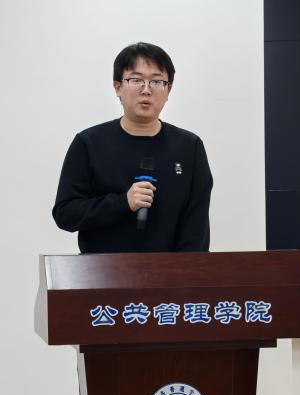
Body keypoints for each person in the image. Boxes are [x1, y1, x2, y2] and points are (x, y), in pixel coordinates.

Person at [52, 42, 213, 253]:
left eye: (157, 81)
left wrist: (184, 271)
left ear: (168, 90)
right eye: (136, 80)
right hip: (102, 270)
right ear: (118, 87)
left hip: (171, 271)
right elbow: (65, 214)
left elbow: (196, 228)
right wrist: (122, 203)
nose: (146, 89)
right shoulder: (88, 143)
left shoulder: (189, 147)